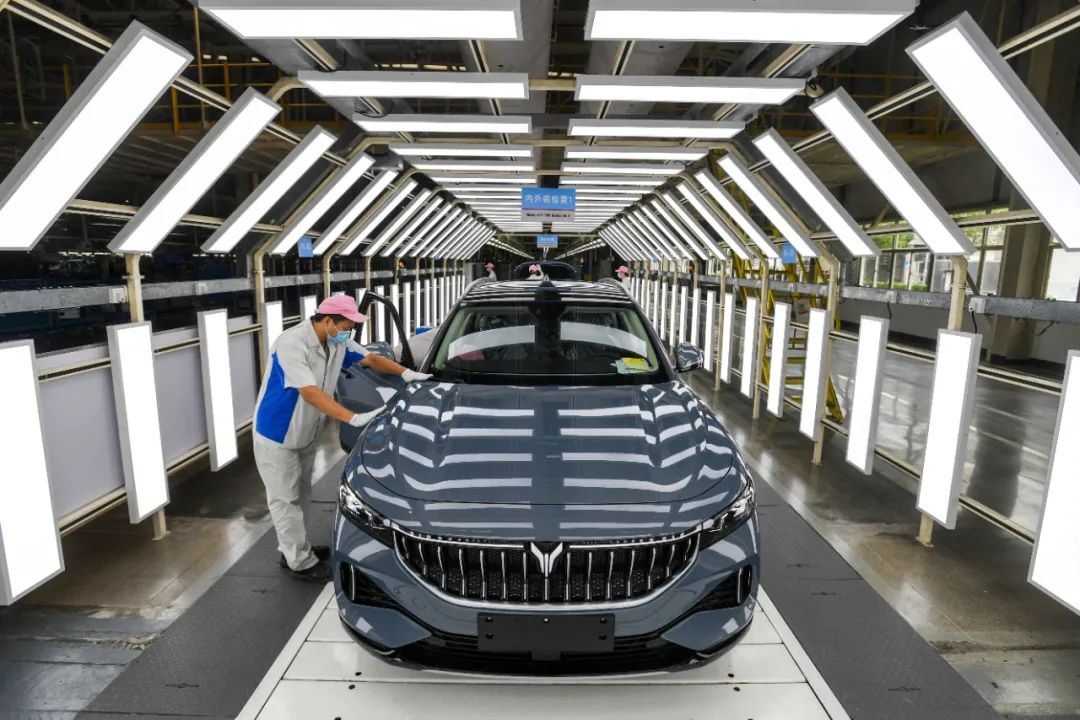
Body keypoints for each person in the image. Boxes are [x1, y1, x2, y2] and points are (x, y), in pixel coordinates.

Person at [253, 295, 430, 583]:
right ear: (328, 321)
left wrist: (407, 373)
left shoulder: (335, 342)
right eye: (347, 326)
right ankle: (299, 563)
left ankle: (295, 548)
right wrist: (351, 417)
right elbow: (309, 392)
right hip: (277, 433)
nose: (349, 332)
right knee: (285, 499)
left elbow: (370, 359)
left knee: (302, 494)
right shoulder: (292, 344)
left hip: (306, 432)